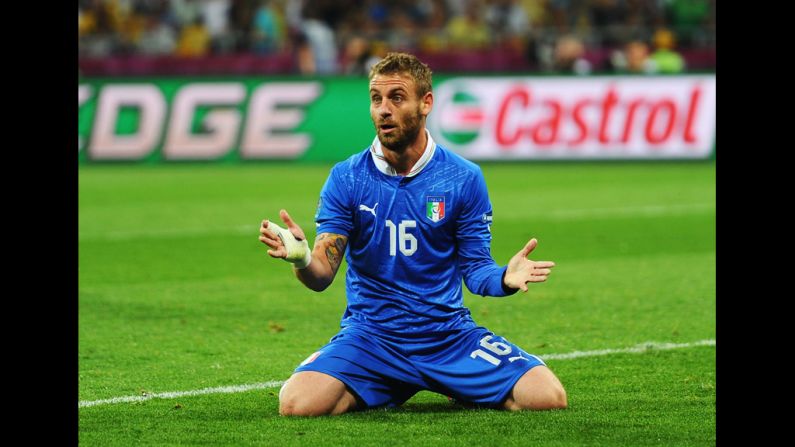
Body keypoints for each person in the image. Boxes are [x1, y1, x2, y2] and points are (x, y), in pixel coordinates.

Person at [259, 52, 567, 416]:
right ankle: (393, 381)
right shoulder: (347, 178)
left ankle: (437, 381)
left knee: (547, 397)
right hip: (371, 338)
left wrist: (504, 277)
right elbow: (322, 275)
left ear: (426, 103)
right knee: (297, 404)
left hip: (446, 337)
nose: (383, 110)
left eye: (396, 98)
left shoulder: (463, 178)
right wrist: (303, 258)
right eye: (376, 99)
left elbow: (476, 269)